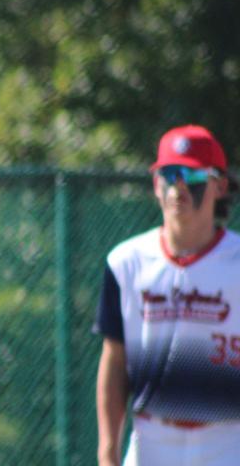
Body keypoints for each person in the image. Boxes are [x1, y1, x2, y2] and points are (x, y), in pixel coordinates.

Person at [94, 125, 240, 466]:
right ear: (155, 185)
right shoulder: (126, 262)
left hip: (229, 441)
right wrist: (107, 453)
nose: (178, 186)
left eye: (191, 174)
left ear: (219, 184)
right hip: (151, 443)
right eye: (168, 174)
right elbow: (114, 360)